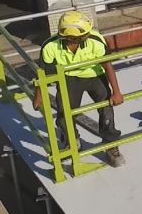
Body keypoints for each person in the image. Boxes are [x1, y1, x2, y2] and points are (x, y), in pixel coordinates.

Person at [33, 11, 125, 168]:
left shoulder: (95, 40)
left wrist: (116, 91)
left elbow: (107, 64)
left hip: (95, 75)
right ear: (74, 38)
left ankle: (110, 145)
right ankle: (72, 143)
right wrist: (38, 96)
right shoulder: (50, 46)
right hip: (68, 78)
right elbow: (42, 73)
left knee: (106, 109)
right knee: (64, 114)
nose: (90, 34)